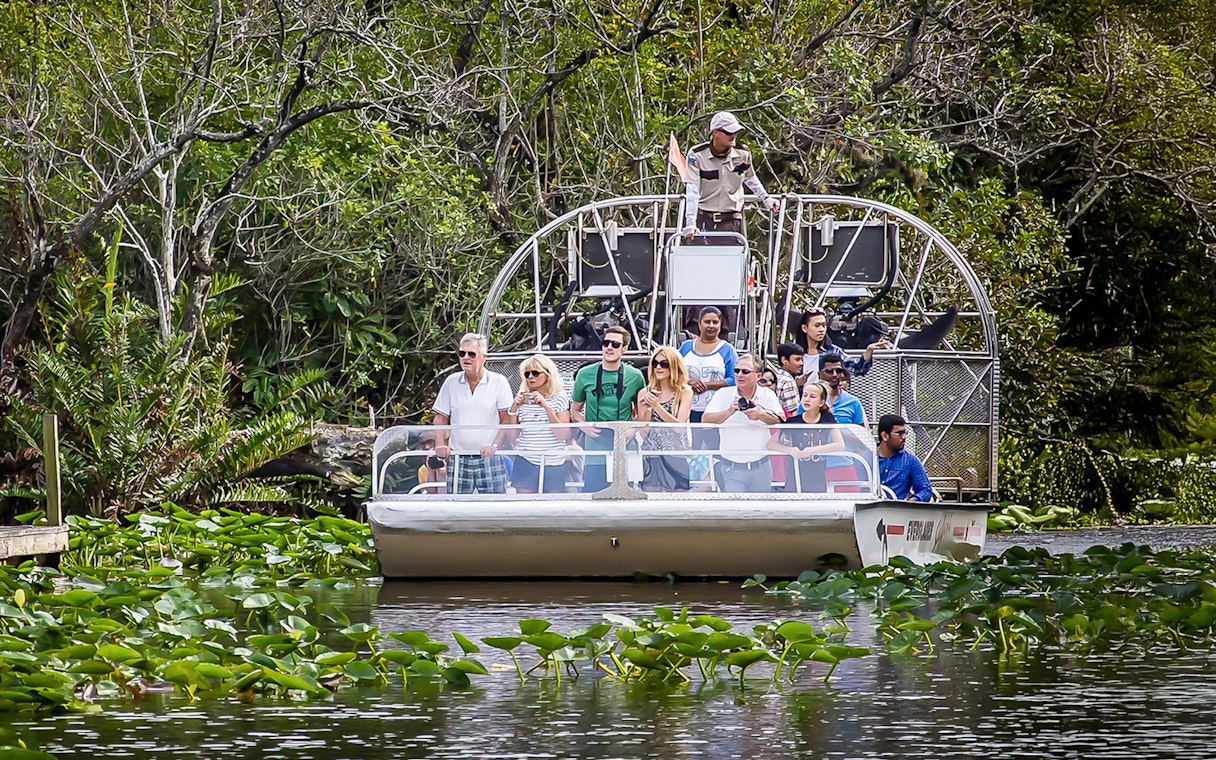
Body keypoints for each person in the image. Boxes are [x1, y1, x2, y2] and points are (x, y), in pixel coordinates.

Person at [431, 333, 513, 494]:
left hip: (490, 457)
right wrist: (440, 444)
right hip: (458, 456)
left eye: (471, 354)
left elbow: (507, 420)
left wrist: (495, 446)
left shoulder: (499, 381)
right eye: (462, 353)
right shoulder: (451, 382)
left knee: (494, 507)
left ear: (483, 357)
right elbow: (441, 418)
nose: (465, 358)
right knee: (457, 508)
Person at [681, 111, 780, 241]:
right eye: (728, 132)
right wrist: (690, 223)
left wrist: (765, 198)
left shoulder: (741, 155)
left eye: (735, 132)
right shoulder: (698, 156)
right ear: (715, 132)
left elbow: (749, 178)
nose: (733, 136)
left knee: (733, 258)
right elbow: (692, 190)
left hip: (731, 221)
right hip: (704, 220)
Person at [570, 325, 647, 492]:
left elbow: (643, 414)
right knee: (594, 498)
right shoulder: (585, 374)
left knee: (628, 499)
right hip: (595, 447)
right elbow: (575, 410)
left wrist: (632, 430)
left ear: (624, 349)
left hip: (625, 447)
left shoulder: (635, 376)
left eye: (615, 344)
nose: (609, 347)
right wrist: (584, 425)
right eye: (606, 343)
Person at [702, 354, 783, 493]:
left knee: (761, 512)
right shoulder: (723, 394)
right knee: (735, 512)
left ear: (758, 376)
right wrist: (729, 411)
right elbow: (705, 421)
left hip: (761, 466)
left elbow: (781, 419)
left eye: (745, 371)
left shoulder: (767, 394)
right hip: (731, 468)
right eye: (736, 371)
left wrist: (760, 414)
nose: (739, 375)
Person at [507, 354, 571, 494]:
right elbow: (512, 437)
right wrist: (513, 409)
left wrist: (546, 407)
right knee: (525, 507)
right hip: (526, 459)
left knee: (552, 506)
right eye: (527, 374)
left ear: (547, 374)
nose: (530, 377)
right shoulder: (522, 399)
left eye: (535, 373)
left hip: (553, 460)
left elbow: (563, 435)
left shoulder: (559, 397)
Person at [767, 381, 845, 493]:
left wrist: (812, 450)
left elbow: (839, 445)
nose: (807, 399)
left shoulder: (827, 419)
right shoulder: (793, 422)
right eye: (805, 395)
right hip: (795, 475)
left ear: (821, 402)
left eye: (812, 396)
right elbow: (771, 444)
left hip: (817, 478)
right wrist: (789, 450)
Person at [635, 346, 694, 492]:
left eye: (664, 363)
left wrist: (656, 406)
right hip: (652, 453)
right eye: (655, 363)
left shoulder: (684, 392)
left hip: (676, 452)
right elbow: (644, 429)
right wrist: (647, 409)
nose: (659, 367)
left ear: (674, 365)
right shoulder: (644, 392)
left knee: (677, 501)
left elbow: (679, 426)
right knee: (650, 500)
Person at [795, 306, 888, 380]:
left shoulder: (833, 351)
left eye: (824, 325)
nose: (821, 330)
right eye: (817, 326)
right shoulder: (795, 353)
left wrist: (869, 351)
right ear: (804, 328)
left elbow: (857, 368)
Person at [877, 414, 933, 502]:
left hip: (898, 511)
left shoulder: (910, 460)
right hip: (870, 509)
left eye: (905, 433)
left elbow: (925, 489)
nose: (904, 437)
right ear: (884, 436)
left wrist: (912, 501)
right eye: (899, 433)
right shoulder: (868, 458)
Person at [818, 354, 867, 427]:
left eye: (838, 371)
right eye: (829, 371)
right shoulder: (809, 399)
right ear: (820, 374)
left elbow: (860, 433)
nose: (834, 375)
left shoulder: (853, 401)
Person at [773, 343, 803, 418]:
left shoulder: (775, 375)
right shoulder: (788, 380)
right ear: (784, 360)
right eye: (797, 359)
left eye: (801, 359)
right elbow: (793, 413)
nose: (801, 363)